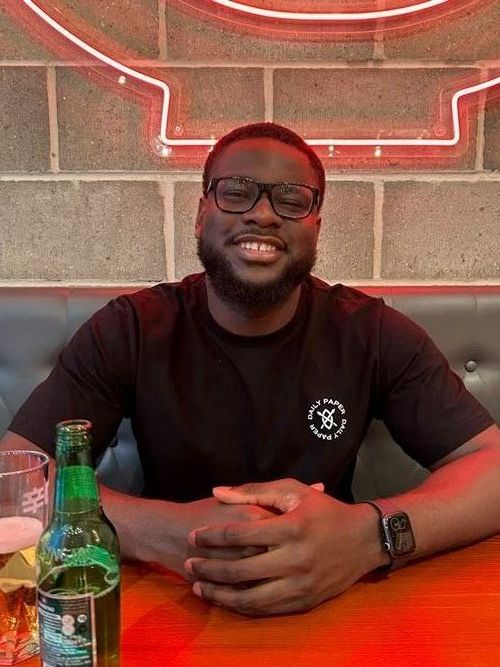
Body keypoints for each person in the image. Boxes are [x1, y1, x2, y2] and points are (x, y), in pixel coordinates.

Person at [2, 122, 499, 617]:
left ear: (316, 227)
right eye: (236, 193)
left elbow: (492, 467)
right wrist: (160, 532)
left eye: (291, 200)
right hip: (167, 598)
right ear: (201, 215)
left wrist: (370, 537)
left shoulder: (371, 332)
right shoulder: (130, 328)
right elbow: (14, 479)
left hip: (330, 601)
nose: (262, 214)